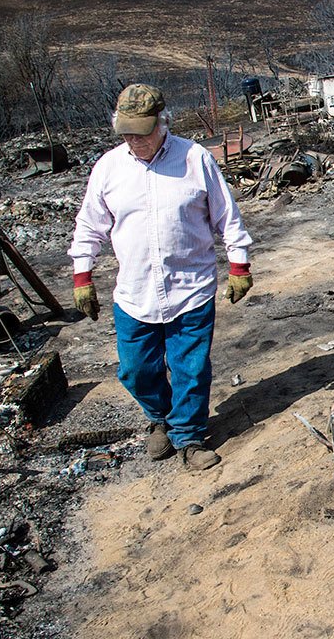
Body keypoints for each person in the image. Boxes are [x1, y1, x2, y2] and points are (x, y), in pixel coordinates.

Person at [68, 83, 253, 471]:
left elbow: (227, 216)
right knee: (136, 370)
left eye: (142, 132)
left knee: (190, 370)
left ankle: (188, 437)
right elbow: (89, 226)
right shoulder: (108, 168)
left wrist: (239, 265)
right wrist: (82, 275)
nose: (134, 141)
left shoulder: (195, 159)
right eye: (127, 133)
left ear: (162, 123)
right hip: (135, 294)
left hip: (190, 288)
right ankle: (160, 417)